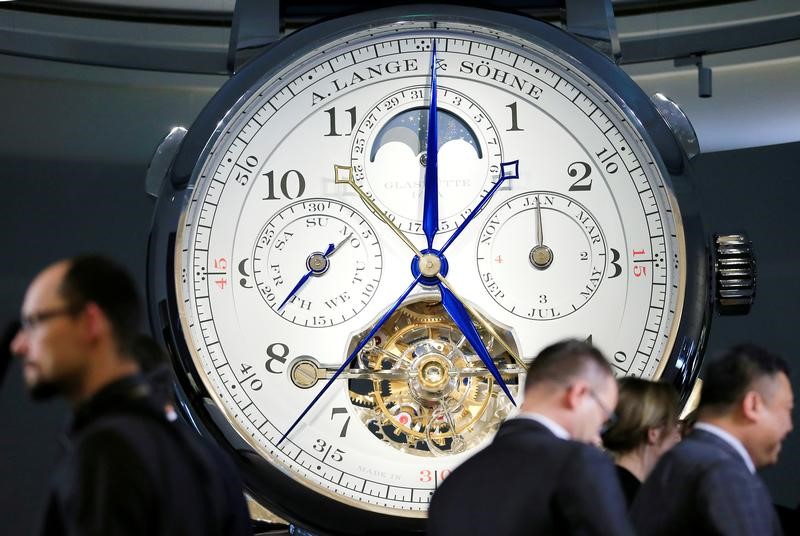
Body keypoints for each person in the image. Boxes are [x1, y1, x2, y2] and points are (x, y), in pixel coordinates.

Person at [10, 255, 253, 536]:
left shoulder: (106, 453)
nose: (19, 345)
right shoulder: (210, 459)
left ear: (90, 322)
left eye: (34, 322)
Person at [427, 339, 634, 536]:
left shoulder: (452, 486)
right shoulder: (579, 462)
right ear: (578, 394)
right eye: (605, 417)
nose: (598, 438)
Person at [631, 344, 793, 535]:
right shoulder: (726, 474)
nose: (789, 426)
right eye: (787, 410)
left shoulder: (677, 460)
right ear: (753, 405)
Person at [601, 377, 681, 506]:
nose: (678, 437)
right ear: (654, 433)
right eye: (674, 426)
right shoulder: (640, 506)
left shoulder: (593, 478)